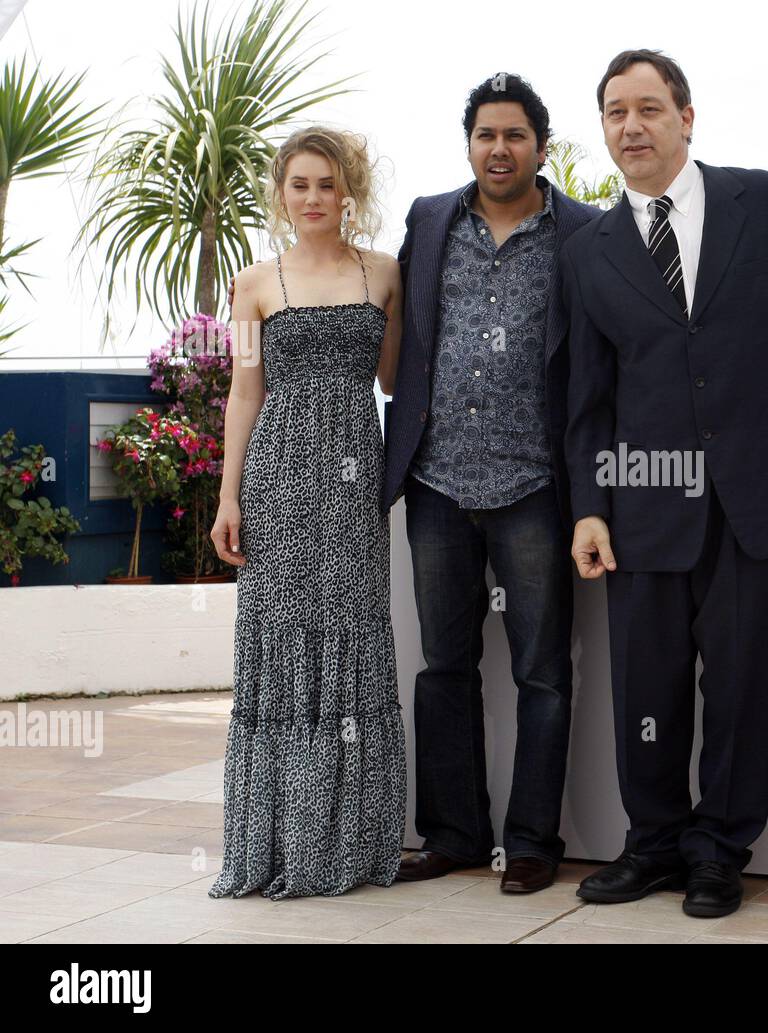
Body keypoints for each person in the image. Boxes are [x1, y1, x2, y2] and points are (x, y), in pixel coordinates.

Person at [562, 49, 768, 918]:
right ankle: (654, 844)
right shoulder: (588, 250)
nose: (630, 127)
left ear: (687, 116)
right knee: (646, 687)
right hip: (639, 507)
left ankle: (719, 852)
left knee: (743, 688)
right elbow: (585, 395)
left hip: (753, 500)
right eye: (613, 113)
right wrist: (590, 506)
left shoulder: (767, 204)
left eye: (648, 109)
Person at [383, 75, 597, 894]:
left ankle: (534, 839)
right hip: (436, 480)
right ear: (468, 142)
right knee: (444, 664)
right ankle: (455, 833)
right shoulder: (430, 219)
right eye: (485, 135)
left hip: (535, 485)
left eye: (514, 135)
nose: (498, 149)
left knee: (543, 670)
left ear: (541, 145)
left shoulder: (581, 230)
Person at [209, 126, 406, 899]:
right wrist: (228, 495)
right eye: (300, 184)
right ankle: (280, 844)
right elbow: (245, 392)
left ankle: (349, 845)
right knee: (284, 645)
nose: (314, 197)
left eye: (327, 183)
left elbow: (394, 381)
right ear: (281, 193)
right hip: (278, 482)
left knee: (353, 637)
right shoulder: (255, 282)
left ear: (349, 188)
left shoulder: (384, 273)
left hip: (356, 484)